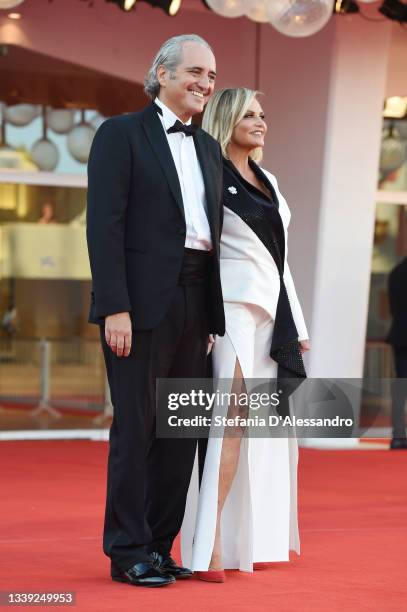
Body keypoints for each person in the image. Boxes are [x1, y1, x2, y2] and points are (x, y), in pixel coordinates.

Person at [86, 34, 225, 588]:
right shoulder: (120, 134)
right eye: (195, 71)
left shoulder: (210, 148)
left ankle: (161, 546)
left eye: (211, 76)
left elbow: (211, 237)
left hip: (196, 301)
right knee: (139, 427)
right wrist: (114, 307)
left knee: (181, 431)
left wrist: (212, 318)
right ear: (162, 74)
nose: (205, 84)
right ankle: (127, 551)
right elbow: (104, 226)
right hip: (139, 306)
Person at [181, 88, 310, 581]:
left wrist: (297, 323)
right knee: (227, 423)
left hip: (272, 318)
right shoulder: (208, 176)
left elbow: (281, 261)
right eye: (250, 114)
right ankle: (206, 543)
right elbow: (198, 253)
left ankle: (248, 543)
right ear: (227, 118)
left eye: (263, 114)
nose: (260, 122)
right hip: (230, 312)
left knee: (263, 430)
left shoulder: (269, 179)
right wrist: (203, 319)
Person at [387, 256, 407, 450]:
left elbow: (393, 308)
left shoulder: (396, 272)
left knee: (400, 386)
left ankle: (398, 435)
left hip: (400, 336)